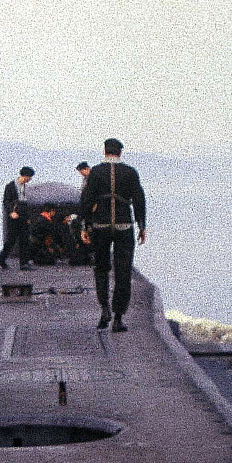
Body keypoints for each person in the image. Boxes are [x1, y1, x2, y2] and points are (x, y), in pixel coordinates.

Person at [79, 138, 146, 332]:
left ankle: (104, 309)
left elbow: (86, 199)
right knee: (123, 271)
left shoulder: (97, 172)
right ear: (120, 153)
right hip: (124, 225)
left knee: (101, 268)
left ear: (105, 151)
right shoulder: (130, 172)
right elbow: (139, 199)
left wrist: (84, 225)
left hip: (101, 225)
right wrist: (141, 225)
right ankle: (118, 317)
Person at [0, 166, 35, 270]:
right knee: (11, 240)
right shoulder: (10, 186)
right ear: (25, 176)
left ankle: (24, 263)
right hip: (14, 216)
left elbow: (24, 203)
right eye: (29, 177)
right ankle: (2, 259)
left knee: (25, 239)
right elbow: (6, 201)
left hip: (22, 215)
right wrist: (11, 212)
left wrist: (27, 217)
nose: (30, 180)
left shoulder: (24, 187)